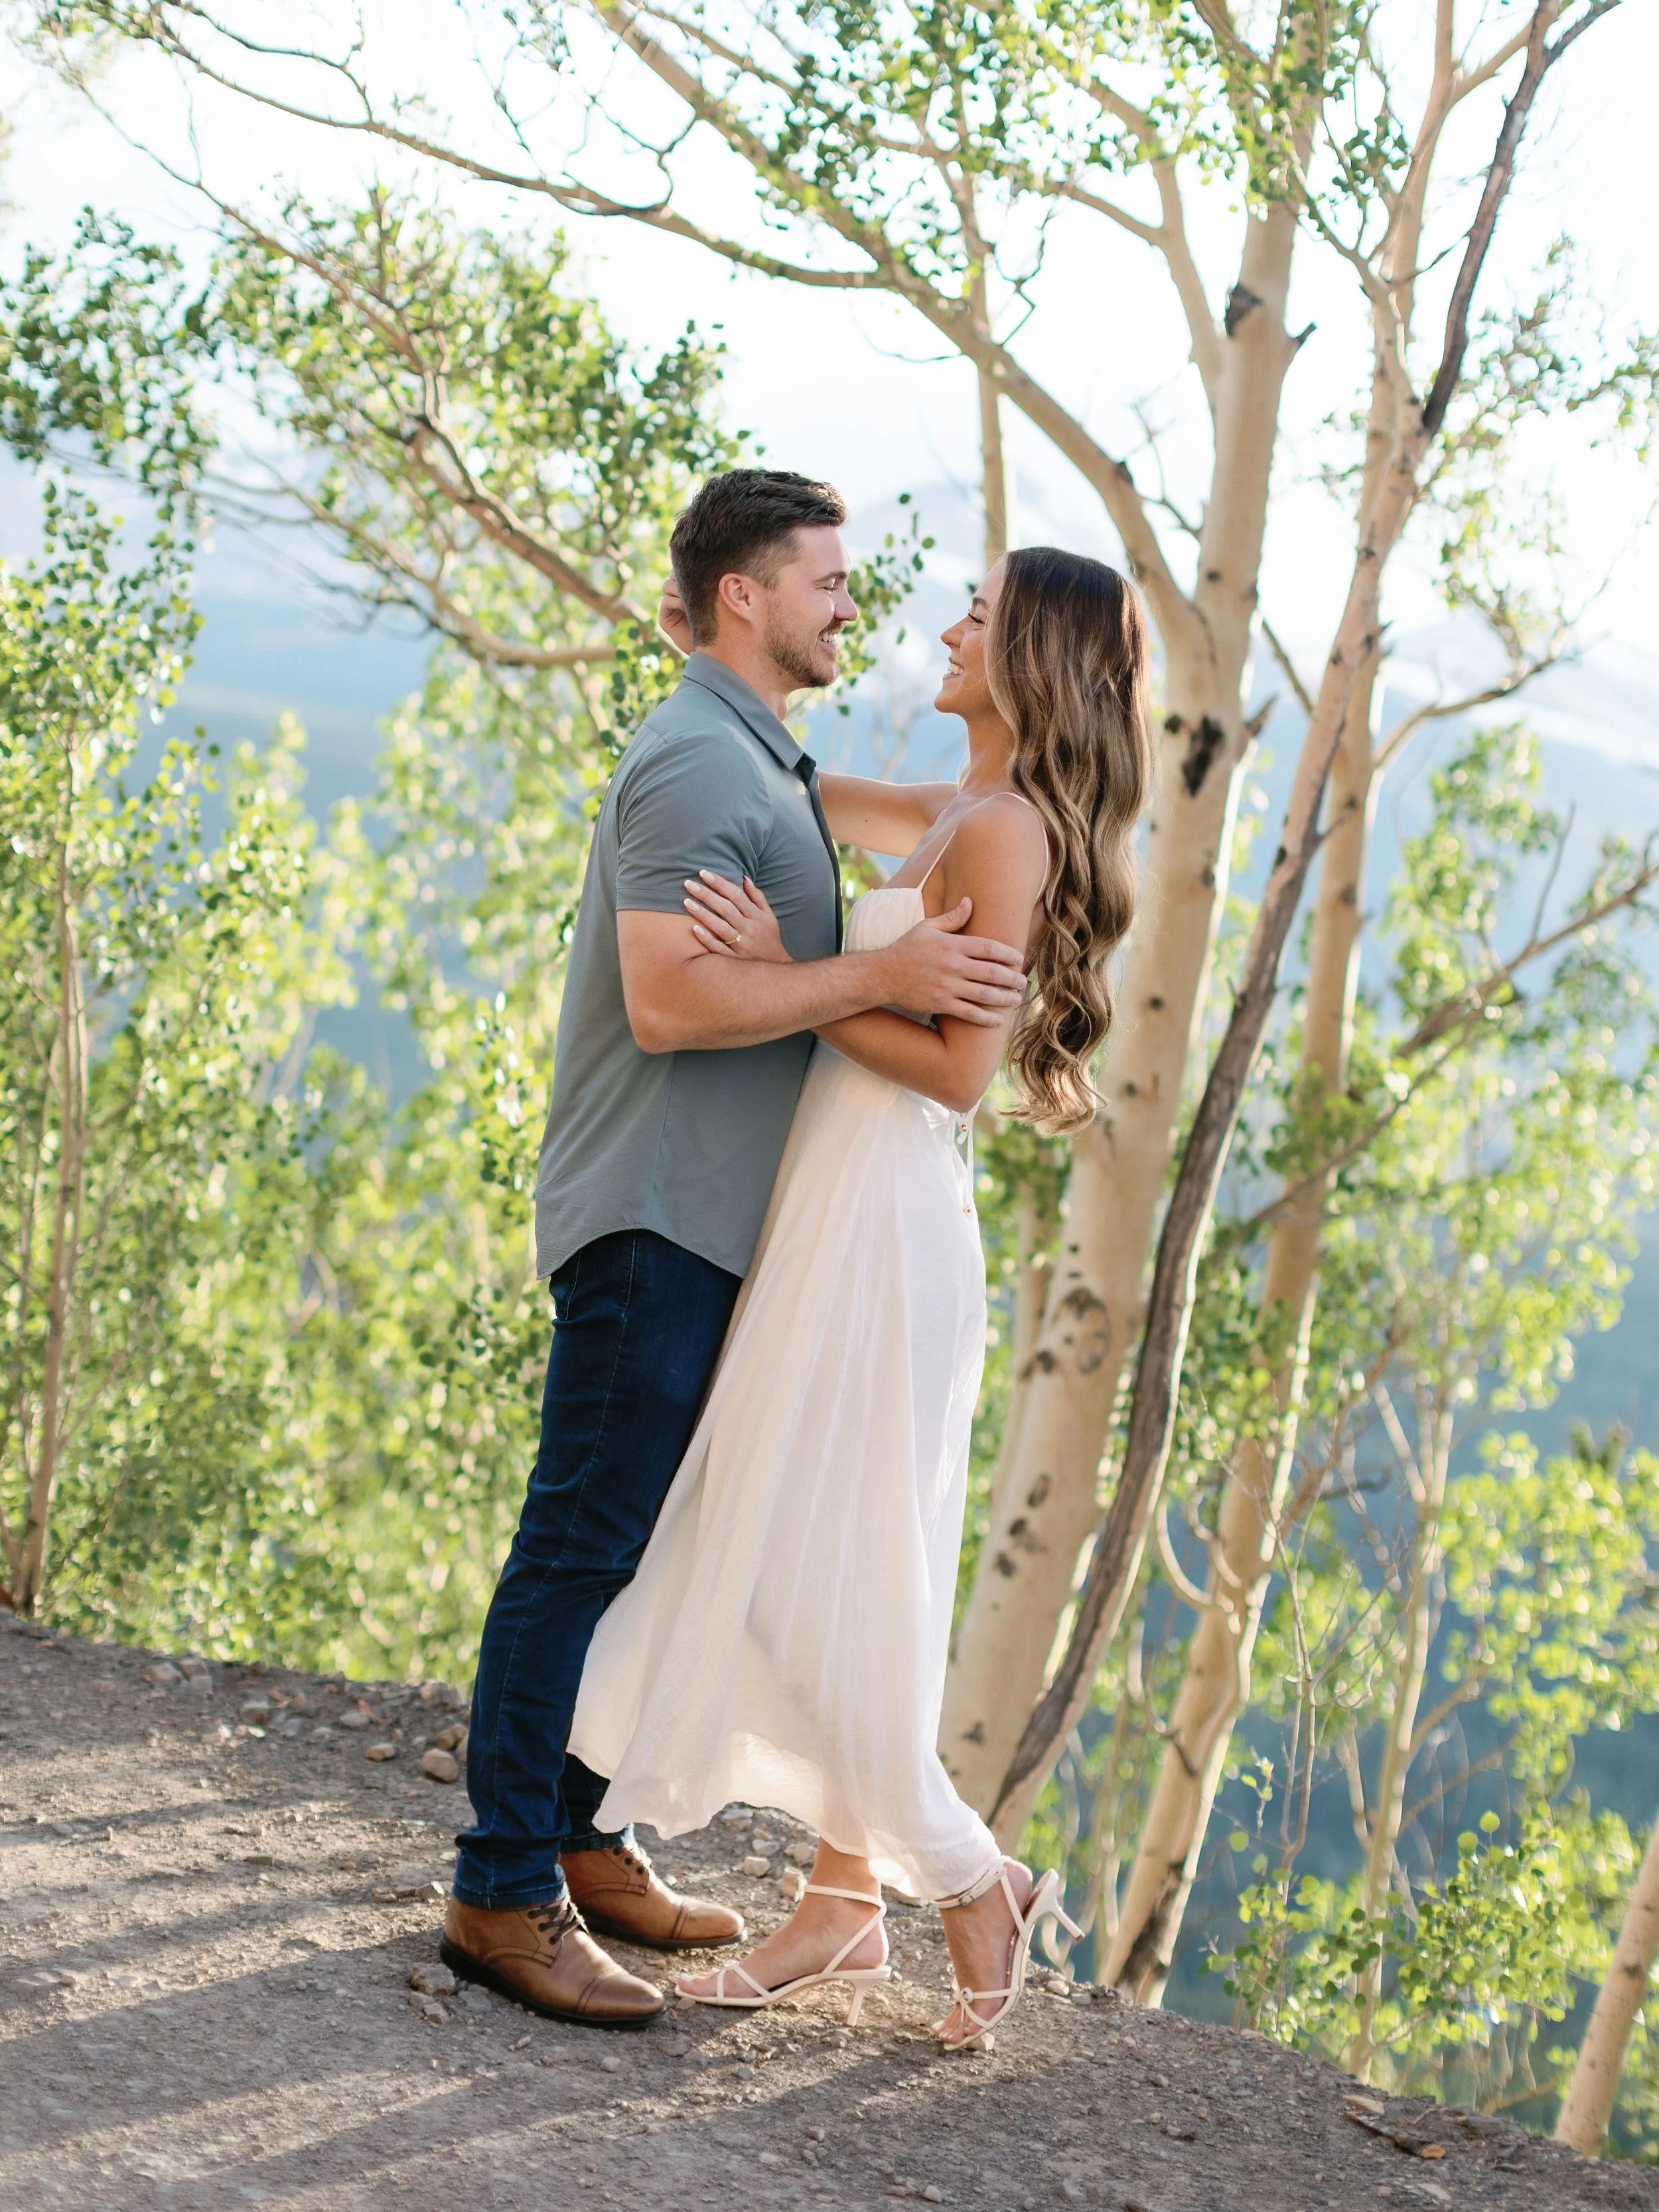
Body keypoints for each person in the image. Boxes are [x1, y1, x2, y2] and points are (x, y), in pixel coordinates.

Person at [441, 470, 1031, 2029]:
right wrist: (869, 971)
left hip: (717, 1218)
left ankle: (575, 1833)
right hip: (653, 1210)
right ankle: (501, 1889)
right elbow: (670, 1004)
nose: (852, 603)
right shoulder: (700, 764)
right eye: (824, 580)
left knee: (644, 1539)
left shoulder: (764, 757)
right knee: (579, 1544)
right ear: (740, 600)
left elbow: (967, 842)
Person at [569, 540, 1153, 2047]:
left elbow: (957, 1073)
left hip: (887, 1216)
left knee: (812, 1568)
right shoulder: (953, 804)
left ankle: (968, 1877)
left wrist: (793, 971)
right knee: (829, 1552)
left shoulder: (1009, 833)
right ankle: (842, 1902)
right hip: (834, 1206)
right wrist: (710, 644)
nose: (948, 626)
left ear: (1029, 655)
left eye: (979, 612)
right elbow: (789, 786)